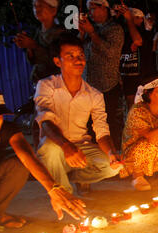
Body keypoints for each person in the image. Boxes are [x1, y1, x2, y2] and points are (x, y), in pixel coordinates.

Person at [34, 33, 122, 195]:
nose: (78, 60)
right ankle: (65, 196)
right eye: (70, 56)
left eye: (81, 55)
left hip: (82, 147)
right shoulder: (46, 86)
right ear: (57, 61)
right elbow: (45, 122)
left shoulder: (94, 94)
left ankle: (73, 177)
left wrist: (111, 153)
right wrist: (66, 146)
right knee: (50, 149)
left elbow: (101, 131)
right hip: (55, 145)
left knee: (113, 167)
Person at [0, 91, 87, 228]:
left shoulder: (7, 129)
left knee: (17, 166)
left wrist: (53, 189)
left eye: (0, 114)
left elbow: (27, 156)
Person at [79, 0, 125, 149]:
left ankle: (115, 157)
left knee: (110, 123)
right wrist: (81, 34)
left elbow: (111, 53)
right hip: (88, 86)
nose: (91, 12)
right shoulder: (87, 30)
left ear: (105, 9)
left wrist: (92, 33)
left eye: (94, 8)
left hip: (107, 85)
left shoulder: (115, 29)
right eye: (89, 9)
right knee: (89, 125)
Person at [14, 0, 64, 85]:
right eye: (35, 6)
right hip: (39, 82)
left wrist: (33, 45)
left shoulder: (60, 34)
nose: (37, 9)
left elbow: (56, 61)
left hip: (55, 84)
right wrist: (27, 46)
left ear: (53, 10)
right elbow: (34, 61)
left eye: (41, 6)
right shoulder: (38, 32)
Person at [116, 6, 157, 111]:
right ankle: (130, 125)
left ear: (141, 19)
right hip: (126, 75)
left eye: (134, 17)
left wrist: (129, 20)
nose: (129, 18)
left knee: (142, 106)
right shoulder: (121, 32)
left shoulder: (145, 33)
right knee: (130, 106)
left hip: (141, 76)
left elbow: (138, 41)